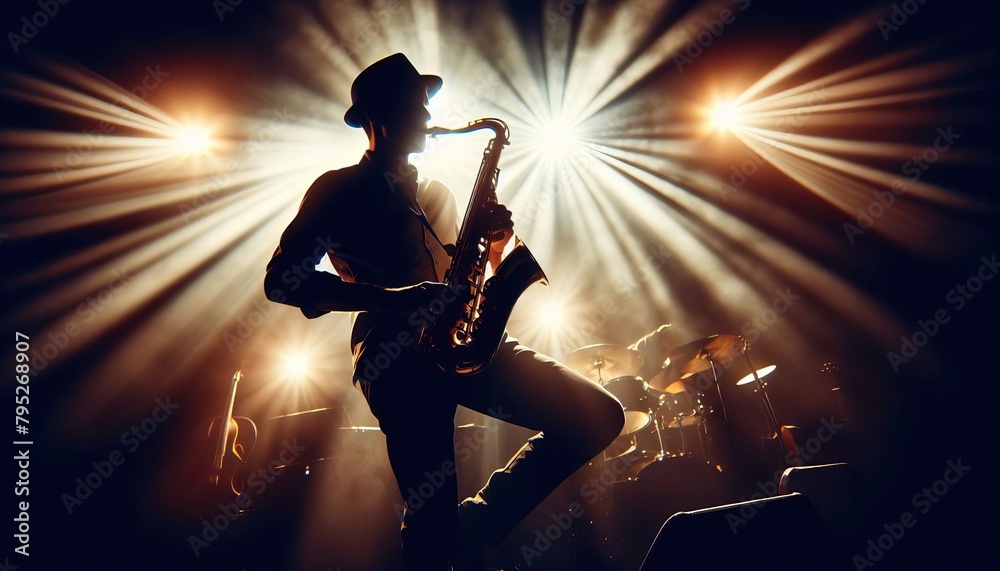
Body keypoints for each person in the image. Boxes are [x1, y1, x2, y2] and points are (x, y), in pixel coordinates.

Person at [263, 53, 625, 570]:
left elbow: (469, 271)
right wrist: (399, 298)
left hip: (460, 343)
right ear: (376, 118)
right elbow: (281, 281)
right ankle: (450, 535)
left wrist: (498, 243)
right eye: (416, 107)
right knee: (431, 517)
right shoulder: (339, 189)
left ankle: (480, 520)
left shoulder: (438, 192)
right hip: (394, 356)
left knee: (599, 416)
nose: (429, 119)